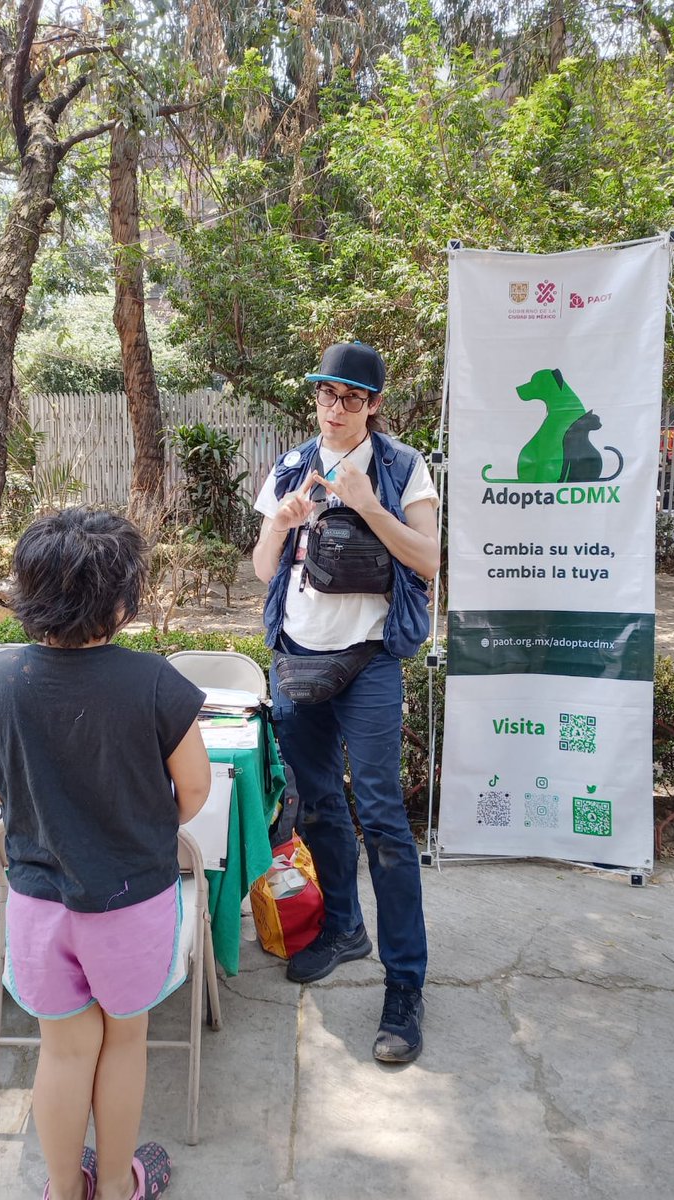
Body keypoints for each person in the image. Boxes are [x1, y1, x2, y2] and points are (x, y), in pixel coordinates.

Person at [0, 507, 212, 1200]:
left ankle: (67, 1190)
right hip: (132, 896)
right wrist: (135, 819)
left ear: (28, 595)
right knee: (124, 1043)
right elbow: (193, 789)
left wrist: (48, 801)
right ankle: (121, 1186)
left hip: (40, 898)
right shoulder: (157, 683)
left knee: (61, 1052)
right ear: (123, 602)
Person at [252, 341, 440, 1063]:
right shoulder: (291, 465)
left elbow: (427, 560)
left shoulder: (400, 467)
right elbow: (264, 569)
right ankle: (340, 927)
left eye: (350, 399)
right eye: (325, 396)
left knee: (384, 817)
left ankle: (404, 983)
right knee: (318, 804)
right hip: (298, 660)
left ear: (373, 406)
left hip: (368, 665)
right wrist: (281, 521)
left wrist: (366, 505)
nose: (333, 409)